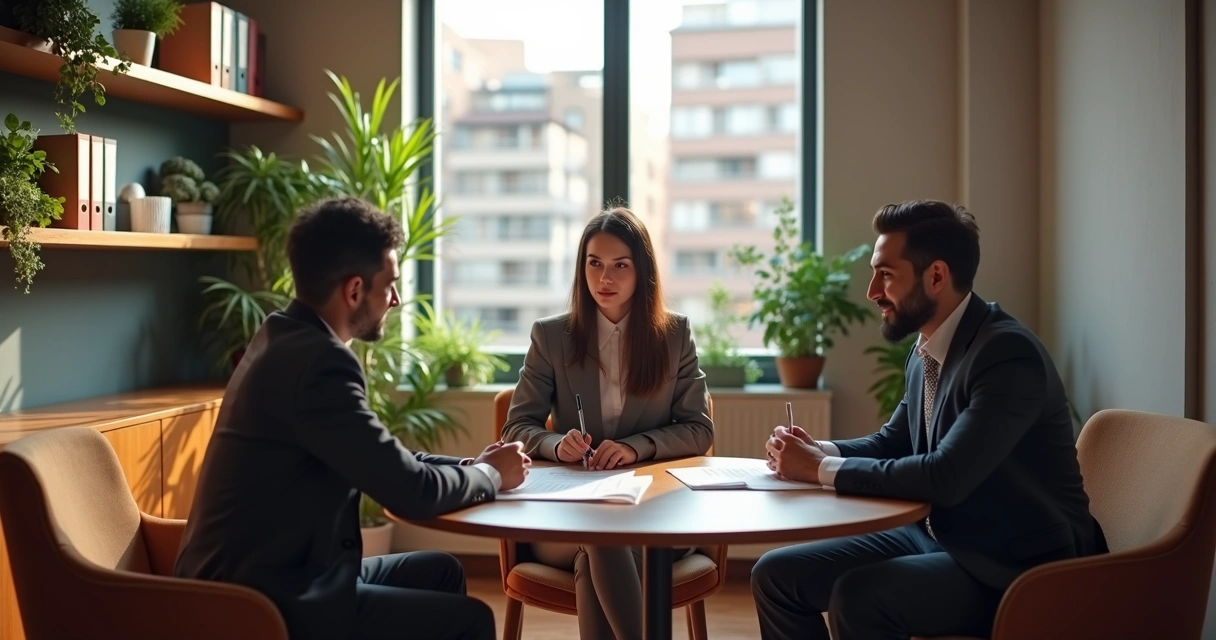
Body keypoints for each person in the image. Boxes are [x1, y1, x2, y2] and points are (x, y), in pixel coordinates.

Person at [175, 197, 531, 640]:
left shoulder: (281, 334)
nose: (397, 299)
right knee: (473, 620)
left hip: (269, 572)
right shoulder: (320, 364)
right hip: (261, 598)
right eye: (390, 285)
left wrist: (473, 467)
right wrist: (490, 477)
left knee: (439, 570)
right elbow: (410, 492)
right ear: (355, 290)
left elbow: (381, 456)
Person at [751, 200, 1108, 640]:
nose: (872, 292)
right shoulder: (927, 352)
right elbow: (894, 441)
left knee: (860, 597)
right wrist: (819, 451)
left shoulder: (1006, 354)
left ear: (936, 276)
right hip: (939, 536)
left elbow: (947, 475)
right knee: (776, 575)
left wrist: (820, 470)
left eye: (885, 274)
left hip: (1016, 565)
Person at [501, 206, 714, 640]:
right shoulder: (551, 336)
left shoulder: (674, 336)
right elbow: (517, 428)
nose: (605, 279)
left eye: (620, 265)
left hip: (656, 515)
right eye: (594, 264)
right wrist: (558, 444)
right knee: (600, 535)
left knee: (596, 549)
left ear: (643, 272)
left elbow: (699, 429)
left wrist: (637, 447)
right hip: (568, 516)